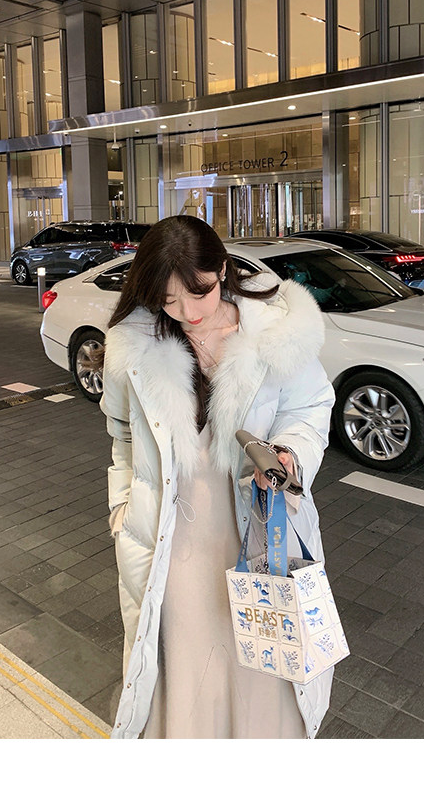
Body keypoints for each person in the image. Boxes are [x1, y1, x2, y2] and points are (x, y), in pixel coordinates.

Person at [98, 215, 335, 739]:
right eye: (168, 300)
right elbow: (121, 431)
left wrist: (290, 455)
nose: (188, 312)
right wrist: (122, 507)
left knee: (267, 666)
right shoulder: (134, 344)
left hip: (259, 532)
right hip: (171, 539)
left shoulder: (274, 334)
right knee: (185, 669)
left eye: (199, 292)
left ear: (222, 270)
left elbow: (311, 407)